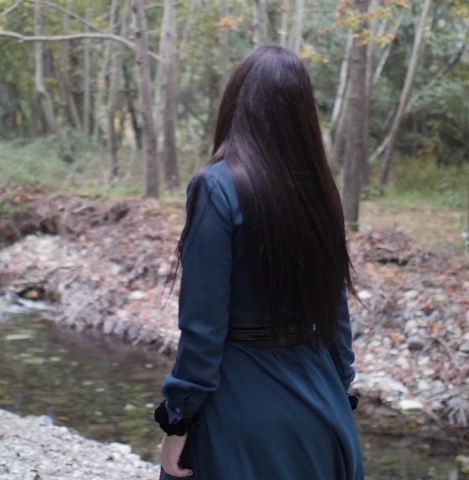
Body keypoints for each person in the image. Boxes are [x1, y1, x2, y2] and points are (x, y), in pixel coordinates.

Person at [153, 46, 364, 480]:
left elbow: (203, 325)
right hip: (324, 410)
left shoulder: (216, 185)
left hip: (241, 412)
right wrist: (338, 387)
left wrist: (178, 419)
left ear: (236, 104)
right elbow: (335, 313)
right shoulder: (320, 191)